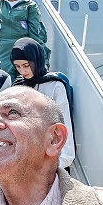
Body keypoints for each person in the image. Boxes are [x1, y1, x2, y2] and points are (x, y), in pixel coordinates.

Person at [11, 38, 74, 169]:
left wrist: (62, 162)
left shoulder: (55, 85)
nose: (22, 71)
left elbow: (64, 123)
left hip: (54, 159)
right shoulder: (18, 85)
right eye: (17, 66)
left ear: (36, 60)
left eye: (26, 65)